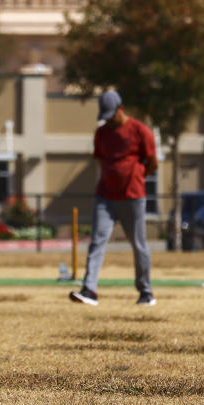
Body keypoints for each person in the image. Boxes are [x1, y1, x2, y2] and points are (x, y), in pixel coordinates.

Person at [69, 90, 158, 306]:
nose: (108, 120)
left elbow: (153, 162)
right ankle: (89, 290)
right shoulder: (101, 133)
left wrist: (137, 176)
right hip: (105, 196)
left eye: (111, 115)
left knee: (139, 245)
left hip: (132, 197)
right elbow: (100, 159)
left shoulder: (140, 131)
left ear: (121, 109)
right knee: (97, 241)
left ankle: (145, 292)